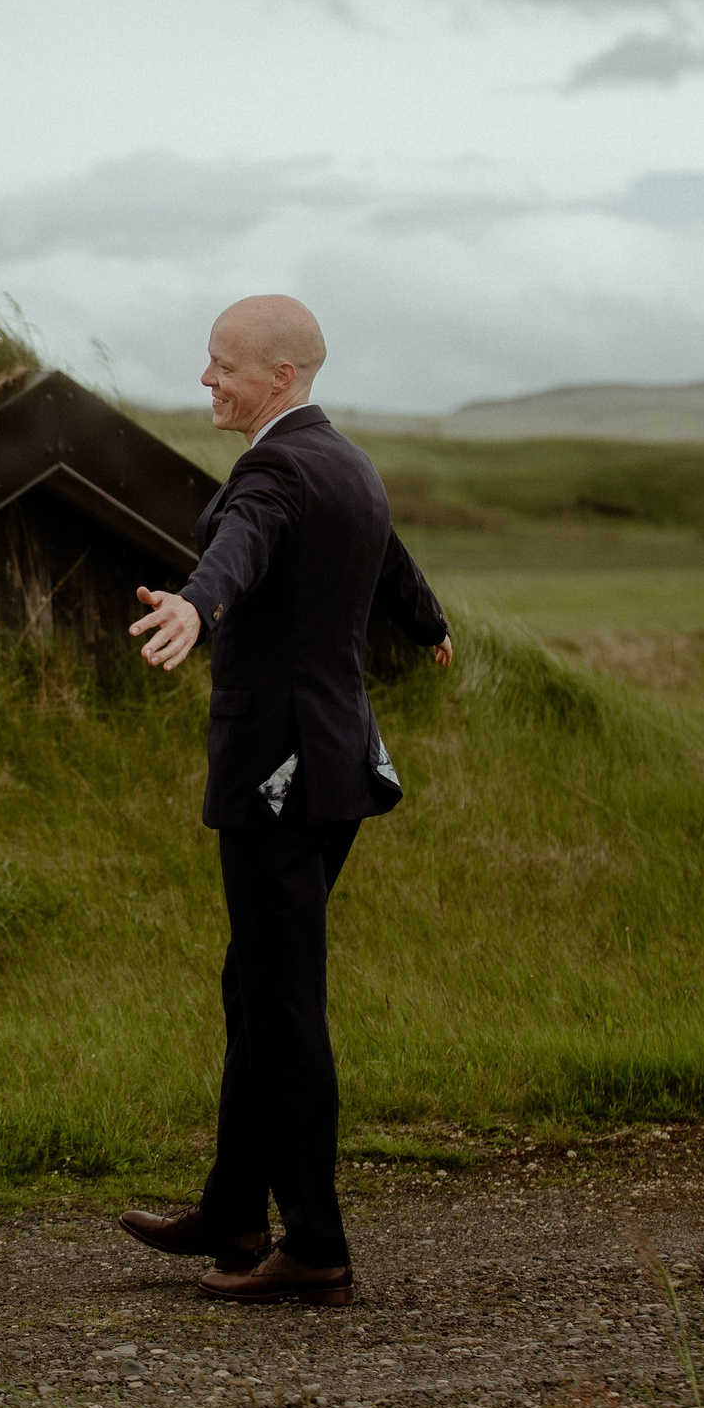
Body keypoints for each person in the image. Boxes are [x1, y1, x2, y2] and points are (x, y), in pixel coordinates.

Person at [119, 295, 451, 1306]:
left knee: (283, 1004)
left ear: (281, 378)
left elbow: (244, 546)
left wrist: (195, 602)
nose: (207, 381)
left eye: (223, 366)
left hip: (279, 776)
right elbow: (384, 551)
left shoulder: (272, 470)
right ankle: (231, 1210)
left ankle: (313, 1243)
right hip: (336, 769)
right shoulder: (342, 460)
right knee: (253, 986)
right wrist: (426, 620)